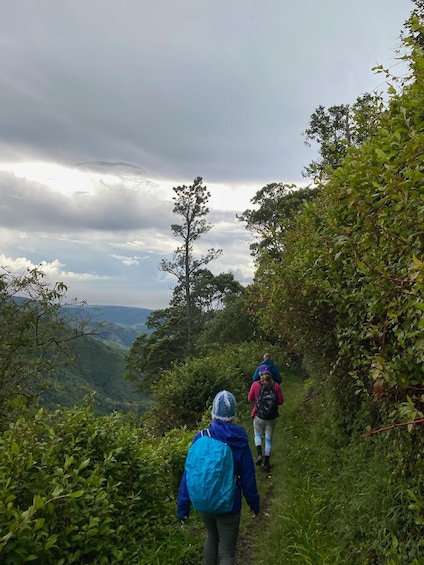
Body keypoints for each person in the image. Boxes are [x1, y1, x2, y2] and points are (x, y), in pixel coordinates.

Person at [177, 390, 260, 565]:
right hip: (229, 505)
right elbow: (248, 479)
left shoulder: (200, 437)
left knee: (211, 538)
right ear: (233, 415)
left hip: (204, 503)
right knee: (227, 553)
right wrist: (254, 505)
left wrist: (182, 508)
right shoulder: (239, 442)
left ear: (213, 414)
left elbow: (190, 473)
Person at [248, 364, 284, 472]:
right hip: (271, 417)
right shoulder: (276, 386)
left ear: (260, 374)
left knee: (257, 434)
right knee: (268, 439)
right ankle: (267, 462)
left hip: (258, 415)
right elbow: (281, 401)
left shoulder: (255, 385)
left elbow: (250, 399)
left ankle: (259, 455)